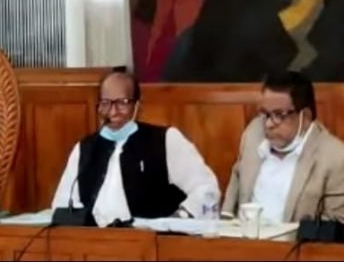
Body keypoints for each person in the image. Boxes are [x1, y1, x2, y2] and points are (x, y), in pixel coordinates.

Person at [51, 69, 219, 226]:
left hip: (150, 241)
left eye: (122, 103)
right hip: (93, 242)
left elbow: (206, 189)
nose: (113, 112)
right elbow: (62, 204)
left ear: (138, 106)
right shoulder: (85, 149)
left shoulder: (166, 140)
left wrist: (179, 218)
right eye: (106, 103)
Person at [222, 71, 344, 223]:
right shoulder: (253, 132)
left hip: (294, 238)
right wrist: (225, 219)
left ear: (305, 117)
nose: (268, 124)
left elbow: (337, 225)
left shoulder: (335, 157)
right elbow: (237, 176)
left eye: (279, 115)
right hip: (243, 235)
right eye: (265, 114)